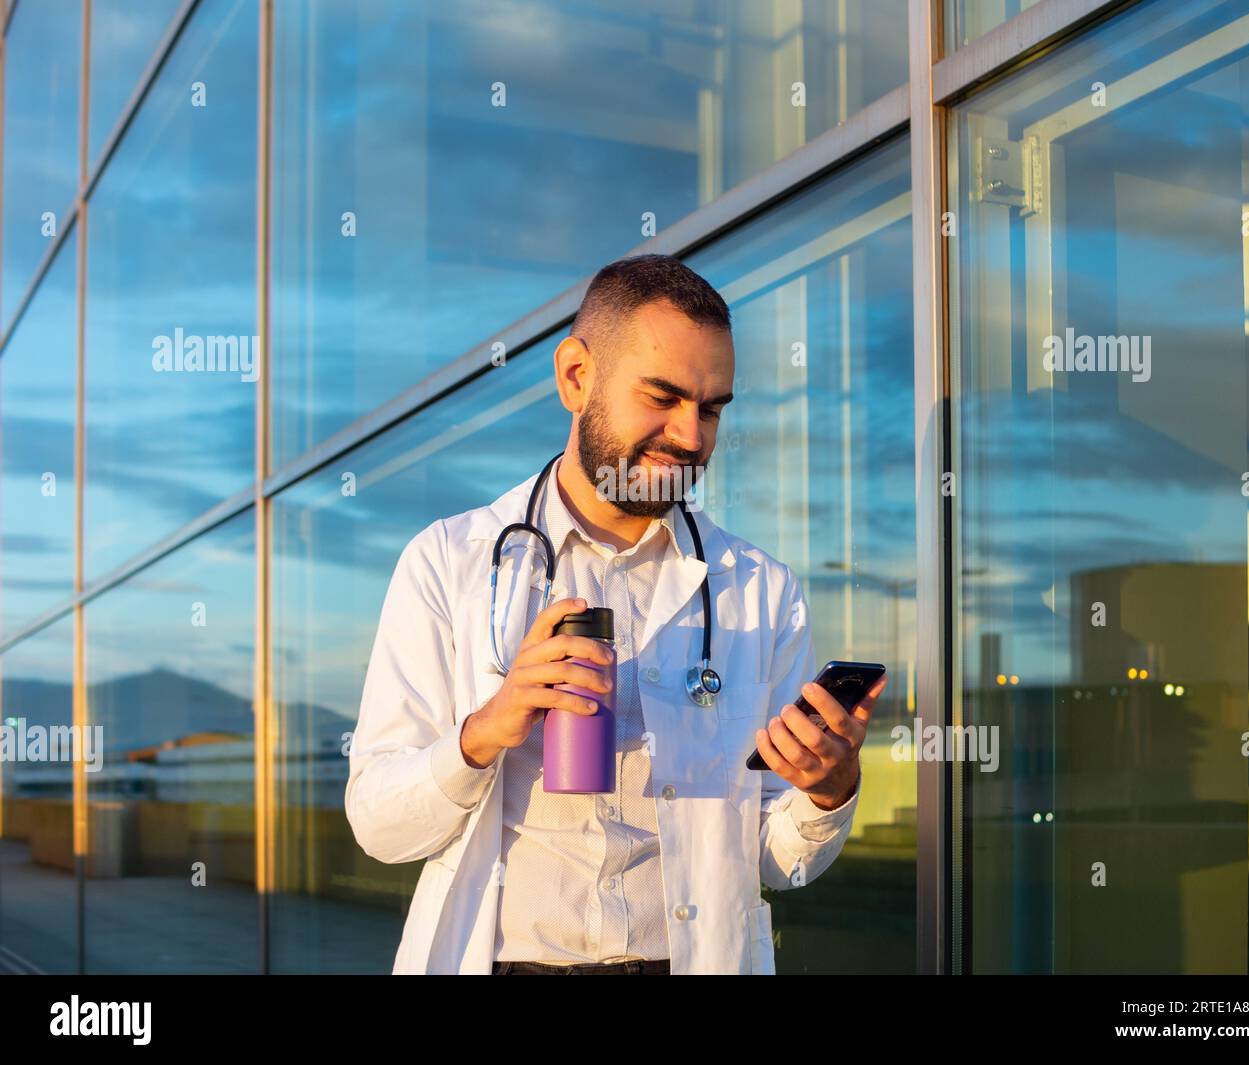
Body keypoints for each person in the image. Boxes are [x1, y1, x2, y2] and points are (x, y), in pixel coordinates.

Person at [345, 254, 887, 975]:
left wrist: (827, 787)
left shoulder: (759, 591)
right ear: (576, 377)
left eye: (713, 407)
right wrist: (485, 730)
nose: (691, 435)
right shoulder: (450, 563)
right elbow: (379, 824)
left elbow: (776, 858)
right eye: (662, 396)